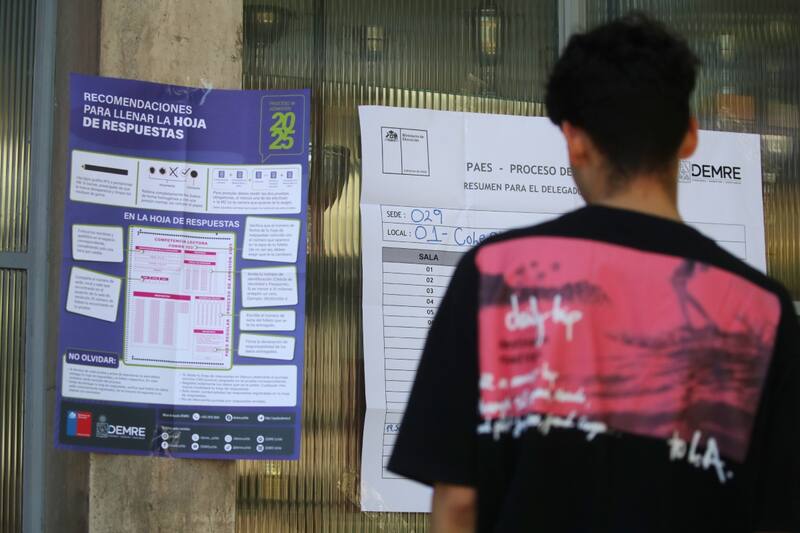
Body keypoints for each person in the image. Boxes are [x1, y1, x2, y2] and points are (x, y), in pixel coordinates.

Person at [388, 13, 800, 533]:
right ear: (690, 136)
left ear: (575, 141)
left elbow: (458, 503)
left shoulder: (494, 274)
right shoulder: (763, 310)